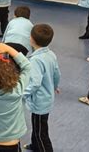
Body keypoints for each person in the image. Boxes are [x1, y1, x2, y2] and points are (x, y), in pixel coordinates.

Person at [23, 24, 61, 152]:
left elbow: (34, 83)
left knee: (41, 133)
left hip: (39, 101)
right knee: (37, 126)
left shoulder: (36, 60)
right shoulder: (51, 54)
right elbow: (57, 73)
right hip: (47, 98)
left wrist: (21, 95)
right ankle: (35, 146)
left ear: (32, 39)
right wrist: (55, 86)